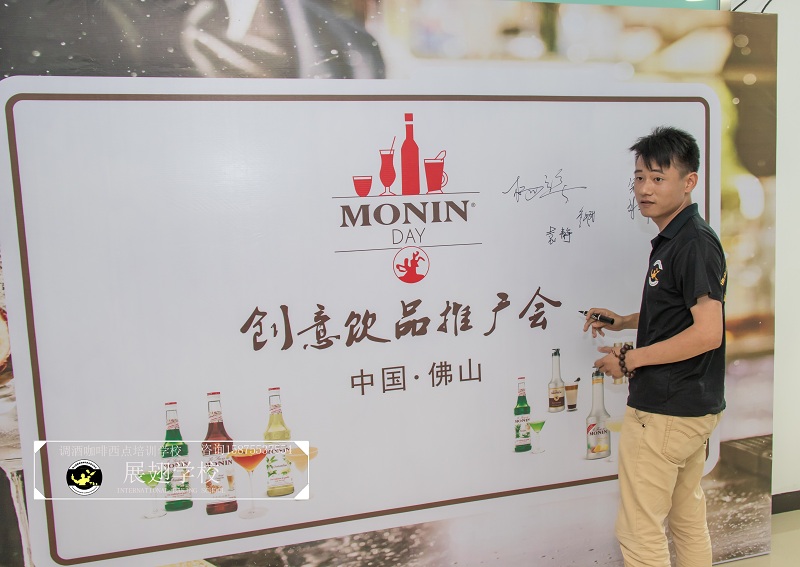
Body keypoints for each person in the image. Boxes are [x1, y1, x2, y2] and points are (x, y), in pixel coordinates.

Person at [583, 126, 726, 567]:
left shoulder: (692, 242)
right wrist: (626, 321)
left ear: (689, 182)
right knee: (686, 520)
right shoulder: (680, 238)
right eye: (640, 177)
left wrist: (630, 359)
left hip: (665, 410)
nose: (644, 189)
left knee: (639, 531)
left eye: (658, 178)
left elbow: (708, 333)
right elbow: (679, 312)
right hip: (688, 407)